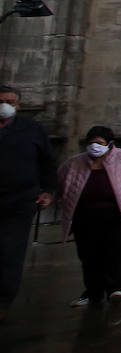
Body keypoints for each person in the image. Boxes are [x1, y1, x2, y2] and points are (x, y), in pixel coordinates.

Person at [55, 126, 121, 307]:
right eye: (91, 143)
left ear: (110, 144)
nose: (94, 147)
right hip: (86, 218)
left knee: (118, 253)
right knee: (89, 257)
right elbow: (60, 184)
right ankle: (93, 293)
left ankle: (116, 289)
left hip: (120, 217)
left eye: (99, 143)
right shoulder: (74, 164)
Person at [0, 84, 57, 322]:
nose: (5, 106)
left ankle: (2, 302)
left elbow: (47, 162)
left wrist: (48, 191)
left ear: (18, 105)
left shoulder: (32, 129)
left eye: (10, 102)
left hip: (19, 201)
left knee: (9, 253)